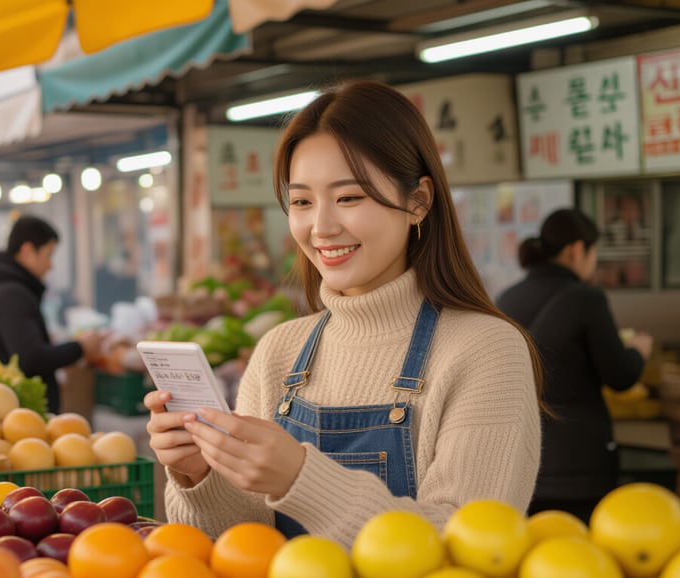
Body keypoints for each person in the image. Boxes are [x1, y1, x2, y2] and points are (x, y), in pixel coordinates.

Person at [146, 79, 543, 547]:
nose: (322, 227)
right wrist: (199, 476)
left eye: (349, 197)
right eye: (301, 202)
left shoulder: (485, 349)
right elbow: (243, 547)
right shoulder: (280, 351)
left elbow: (472, 547)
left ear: (418, 201)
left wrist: (299, 477)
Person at [497, 208, 653, 523]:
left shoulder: (506, 300)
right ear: (577, 250)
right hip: (580, 465)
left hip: (520, 462)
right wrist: (638, 351)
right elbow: (620, 375)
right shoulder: (587, 299)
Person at [0, 215, 106, 415]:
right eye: (48, 255)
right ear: (27, 251)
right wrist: (80, 347)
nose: (51, 265)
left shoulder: (0, 287)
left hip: (8, 413)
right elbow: (31, 358)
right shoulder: (11, 294)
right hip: (18, 417)